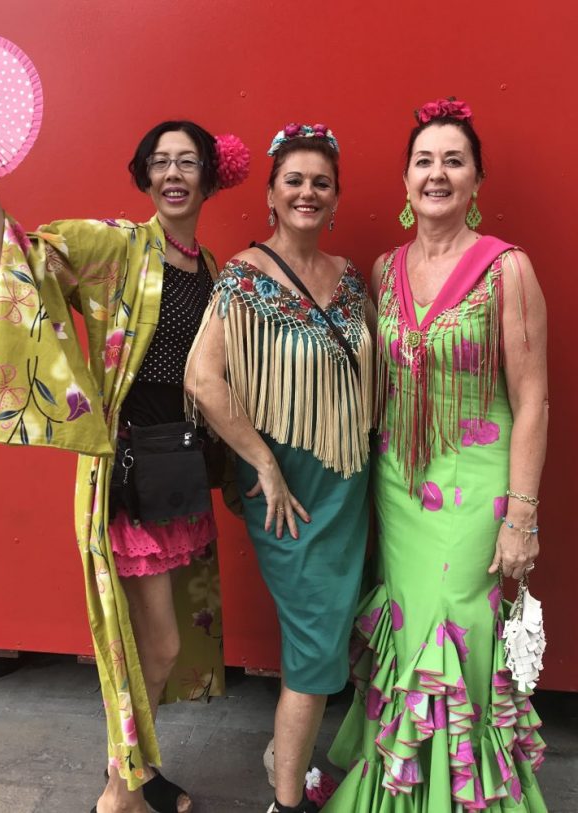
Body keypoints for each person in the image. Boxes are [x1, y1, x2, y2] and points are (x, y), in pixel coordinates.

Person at [0, 93, 249, 813]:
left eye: (188, 162)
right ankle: (118, 793)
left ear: (209, 178)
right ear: (145, 176)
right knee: (153, 645)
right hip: (130, 477)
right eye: (160, 162)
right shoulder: (116, 246)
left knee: (157, 646)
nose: (173, 174)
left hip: (179, 473)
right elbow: (15, 254)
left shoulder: (211, 267)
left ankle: (135, 773)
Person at [325, 98, 548, 811]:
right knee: (408, 620)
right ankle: (399, 786)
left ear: (477, 179)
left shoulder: (507, 269)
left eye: (454, 160)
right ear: (405, 180)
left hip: (476, 489)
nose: (437, 174)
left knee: (455, 622)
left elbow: (533, 399)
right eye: (424, 161)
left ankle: (463, 795)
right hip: (398, 485)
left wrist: (521, 516)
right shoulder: (384, 269)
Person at [185, 123, 374, 813]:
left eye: (321, 182)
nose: (307, 192)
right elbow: (203, 379)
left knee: (341, 628)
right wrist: (262, 462)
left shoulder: (349, 277)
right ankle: (287, 802)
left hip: (353, 482)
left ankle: (287, 756)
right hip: (289, 492)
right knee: (316, 643)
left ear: (336, 198)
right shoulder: (243, 277)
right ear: (270, 193)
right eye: (293, 180)